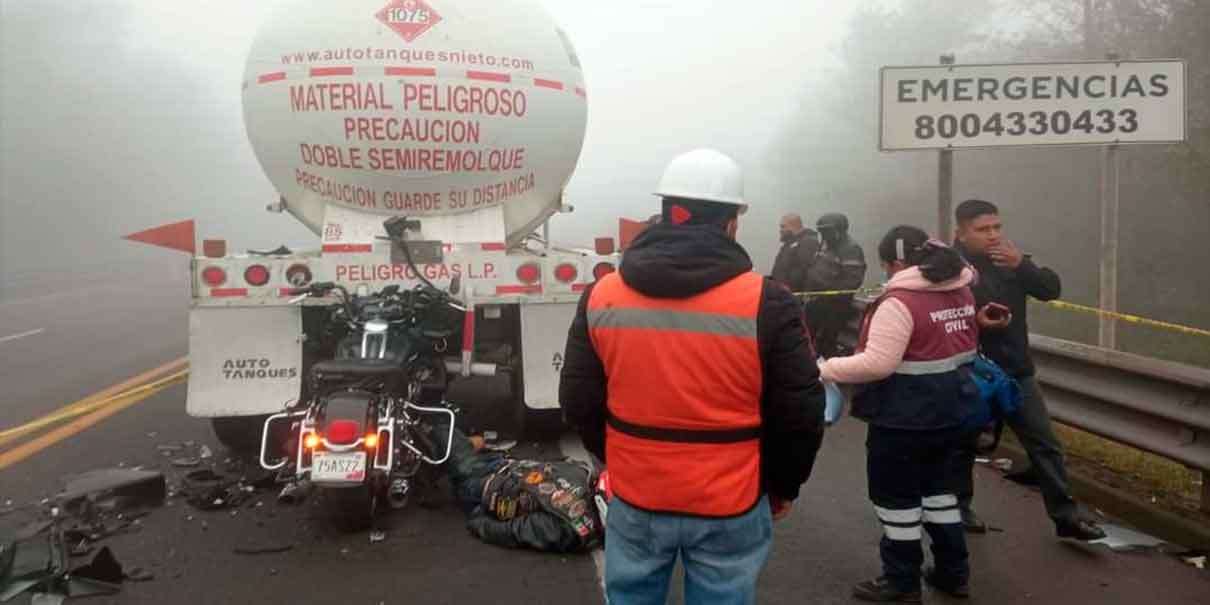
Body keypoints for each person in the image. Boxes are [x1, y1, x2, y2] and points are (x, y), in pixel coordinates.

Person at [560, 148, 826, 605]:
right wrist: (782, 486)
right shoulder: (767, 301)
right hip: (731, 498)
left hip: (638, 492)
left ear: (665, 213)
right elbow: (800, 411)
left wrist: (616, 456)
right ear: (732, 223)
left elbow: (578, 397)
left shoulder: (602, 296)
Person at [819, 226, 979, 603]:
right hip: (953, 410)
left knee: (896, 500)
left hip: (904, 417)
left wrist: (825, 368)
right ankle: (952, 572)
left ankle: (901, 580)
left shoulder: (900, 301)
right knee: (941, 493)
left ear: (894, 263)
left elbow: (878, 363)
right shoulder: (961, 288)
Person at [952, 199, 1106, 541]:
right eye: (982, 229)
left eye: (997, 227)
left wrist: (1022, 265)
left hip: (1016, 371)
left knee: (1045, 444)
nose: (993, 235)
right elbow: (934, 317)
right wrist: (974, 322)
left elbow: (1050, 289)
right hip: (970, 372)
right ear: (961, 234)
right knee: (964, 444)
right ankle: (960, 508)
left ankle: (1066, 517)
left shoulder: (1010, 261)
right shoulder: (948, 266)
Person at [435, 420, 603, 553]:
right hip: (506, 465)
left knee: (439, 425)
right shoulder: (588, 479)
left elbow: (514, 531)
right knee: (463, 440)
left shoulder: (568, 528)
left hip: (482, 485)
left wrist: (479, 523)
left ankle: (432, 420)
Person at [804, 212, 868, 356]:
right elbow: (815, 267)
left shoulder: (850, 249)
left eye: (827, 231)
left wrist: (829, 292)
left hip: (835, 304)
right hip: (817, 299)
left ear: (839, 230)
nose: (823, 235)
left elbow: (853, 279)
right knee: (807, 335)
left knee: (827, 340)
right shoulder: (826, 244)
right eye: (821, 231)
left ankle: (828, 369)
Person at [771, 213, 821, 293]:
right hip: (784, 294)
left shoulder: (808, 242)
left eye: (783, 226)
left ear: (794, 226)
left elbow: (806, 270)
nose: (780, 230)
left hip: (795, 295)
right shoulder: (789, 245)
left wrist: (790, 288)